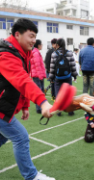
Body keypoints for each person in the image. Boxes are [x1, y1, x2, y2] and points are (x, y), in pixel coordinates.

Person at [0, 18, 55, 180]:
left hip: (5, 106)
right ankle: (31, 176)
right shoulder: (6, 54)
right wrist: (42, 102)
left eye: (35, 36)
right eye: (30, 36)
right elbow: (22, 80)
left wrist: (25, 106)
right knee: (21, 137)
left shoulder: (24, 53)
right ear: (17, 34)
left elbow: (25, 78)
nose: (34, 40)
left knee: (3, 137)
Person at [49, 38, 77, 116]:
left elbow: (52, 67)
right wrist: (74, 75)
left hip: (58, 77)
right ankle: (70, 111)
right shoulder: (69, 53)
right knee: (68, 94)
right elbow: (72, 65)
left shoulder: (54, 54)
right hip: (67, 76)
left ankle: (59, 111)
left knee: (58, 94)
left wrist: (51, 78)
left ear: (57, 45)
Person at [31, 39, 46, 114]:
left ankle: (40, 107)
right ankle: (38, 108)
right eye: (41, 44)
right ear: (39, 45)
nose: (42, 45)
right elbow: (37, 66)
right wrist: (41, 76)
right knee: (39, 91)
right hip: (37, 75)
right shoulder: (36, 53)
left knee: (40, 91)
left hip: (37, 75)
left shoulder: (36, 52)